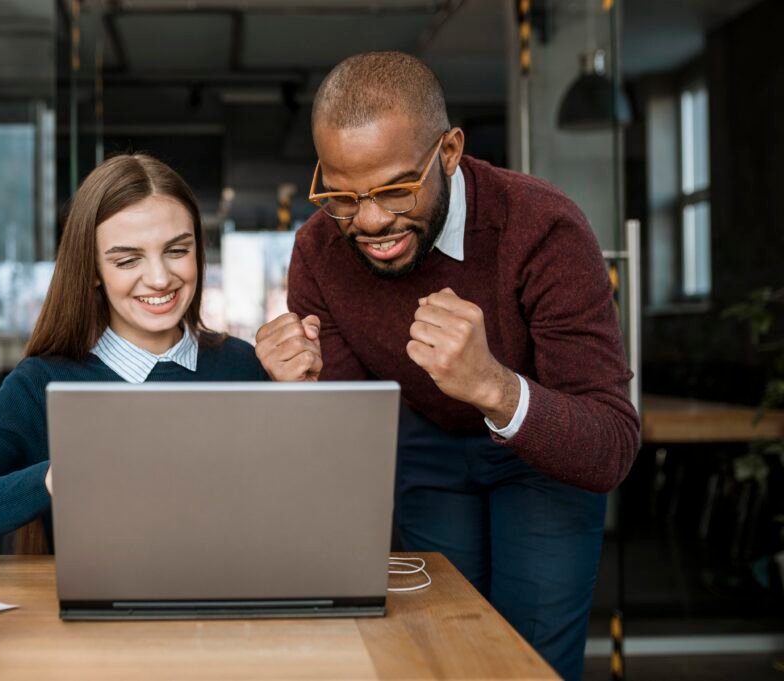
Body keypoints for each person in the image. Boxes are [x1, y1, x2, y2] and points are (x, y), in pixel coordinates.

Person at [254, 51, 639, 681]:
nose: (371, 221)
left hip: (544, 456)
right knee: (437, 653)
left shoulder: (543, 229)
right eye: (342, 196)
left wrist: (492, 386)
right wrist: (305, 395)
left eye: (396, 187)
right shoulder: (320, 250)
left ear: (451, 151)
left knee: (528, 661)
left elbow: (611, 447)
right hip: (424, 447)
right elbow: (353, 448)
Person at [0, 154, 266, 548]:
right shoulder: (41, 384)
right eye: (127, 260)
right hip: (100, 607)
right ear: (92, 269)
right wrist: (57, 476)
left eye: (177, 251)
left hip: (229, 604)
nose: (160, 279)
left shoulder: (242, 364)